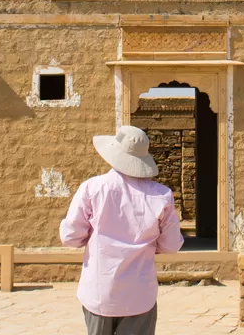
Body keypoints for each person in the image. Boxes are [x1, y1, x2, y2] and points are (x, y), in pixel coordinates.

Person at [60, 125, 184, 335]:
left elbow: (71, 237)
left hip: (100, 293)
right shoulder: (162, 196)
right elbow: (171, 245)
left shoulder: (93, 188)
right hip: (140, 295)